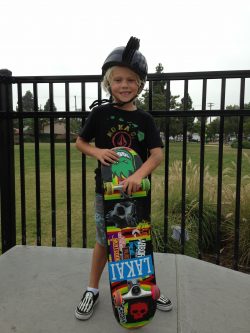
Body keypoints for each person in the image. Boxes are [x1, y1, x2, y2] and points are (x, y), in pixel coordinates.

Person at [74, 36, 173, 320]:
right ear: (109, 83)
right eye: (118, 80)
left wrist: (139, 175)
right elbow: (80, 142)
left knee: (137, 238)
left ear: (140, 84)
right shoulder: (100, 113)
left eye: (131, 80)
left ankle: (144, 286)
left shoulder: (145, 120)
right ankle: (92, 289)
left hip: (138, 193)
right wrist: (97, 152)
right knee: (105, 241)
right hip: (105, 193)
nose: (124, 85)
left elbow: (156, 155)